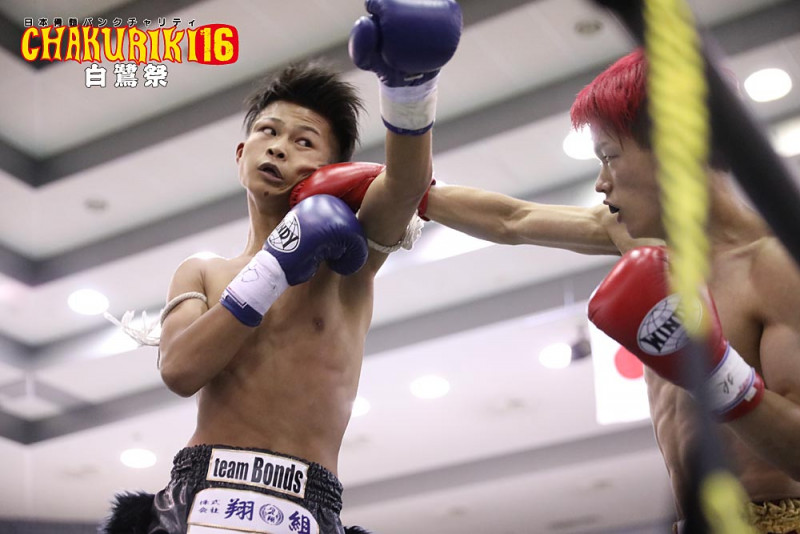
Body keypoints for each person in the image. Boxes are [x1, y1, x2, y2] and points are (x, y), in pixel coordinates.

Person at [100, 1, 462, 533]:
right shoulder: (202, 271)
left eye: (302, 142)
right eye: (267, 132)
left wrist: (410, 88)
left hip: (306, 504)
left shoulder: (350, 263)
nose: (277, 149)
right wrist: (273, 265)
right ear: (240, 152)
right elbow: (179, 370)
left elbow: (407, 185)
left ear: (330, 170)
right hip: (200, 496)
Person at [422, 49, 800, 533]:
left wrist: (716, 371)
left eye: (610, 157)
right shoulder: (642, 243)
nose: (601, 183)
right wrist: (396, 189)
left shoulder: (774, 266)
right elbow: (512, 219)